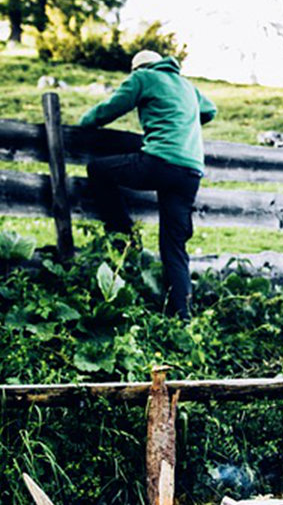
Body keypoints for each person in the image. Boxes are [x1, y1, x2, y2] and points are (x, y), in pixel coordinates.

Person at [80, 50, 216, 320]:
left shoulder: (143, 77)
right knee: (174, 245)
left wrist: (82, 124)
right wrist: (182, 124)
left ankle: (124, 233)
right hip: (190, 172)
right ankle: (182, 317)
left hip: (160, 162)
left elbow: (111, 109)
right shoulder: (187, 86)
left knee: (98, 170)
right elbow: (210, 110)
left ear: (137, 69)